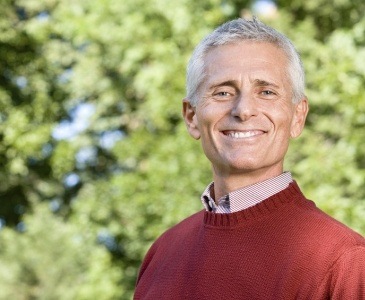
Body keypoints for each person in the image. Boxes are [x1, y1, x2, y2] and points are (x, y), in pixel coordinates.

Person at [134, 18, 365, 299]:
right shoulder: (162, 254)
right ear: (192, 117)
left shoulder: (343, 262)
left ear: (297, 116)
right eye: (222, 92)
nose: (243, 110)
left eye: (266, 92)